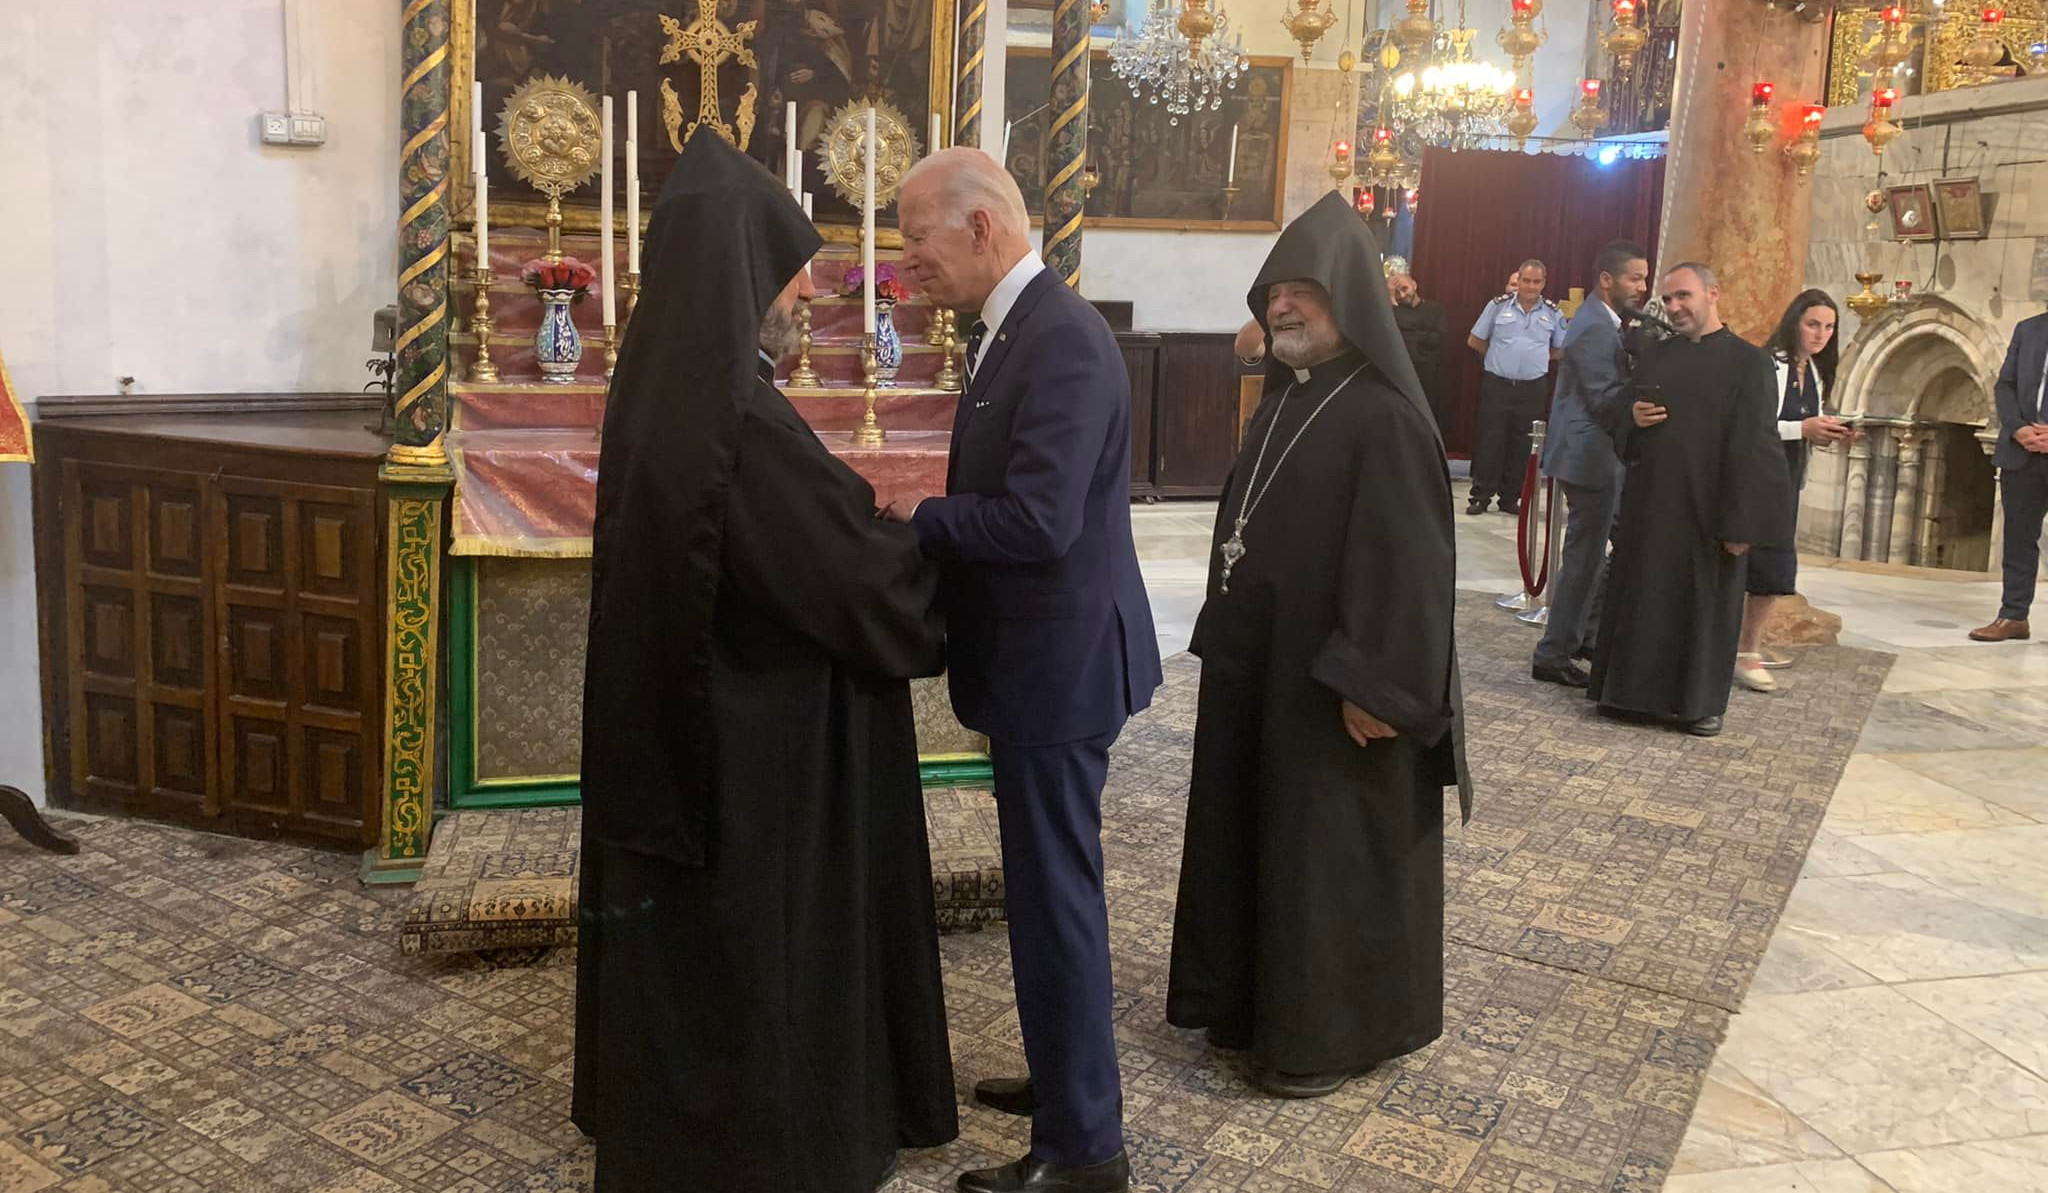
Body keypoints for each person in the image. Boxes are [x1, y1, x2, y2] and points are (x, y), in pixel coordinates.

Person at [573, 131, 957, 1193]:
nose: (802, 298)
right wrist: (918, 548)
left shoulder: (656, 389)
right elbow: (841, 576)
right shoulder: (739, 415)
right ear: (747, 275)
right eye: (790, 276)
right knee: (755, 948)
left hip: (680, 720)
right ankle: (762, 1146)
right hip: (752, 748)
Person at [885, 147, 1162, 1193]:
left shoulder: (1062, 342)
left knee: (1056, 900)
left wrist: (923, 514)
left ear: (981, 228)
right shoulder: (1017, 331)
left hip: (1060, 665)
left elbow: (1040, 521)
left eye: (916, 233)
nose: (904, 256)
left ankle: (1085, 1148)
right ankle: (1062, 1082)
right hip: (1037, 659)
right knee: (1046, 895)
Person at [1166, 191, 1472, 1100]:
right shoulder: (1288, 402)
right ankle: (1254, 1006)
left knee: (1326, 860)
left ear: (1351, 296)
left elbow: (1411, 565)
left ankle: (1331, 1034)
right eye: (1275, 290)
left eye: (1305, 289)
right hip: (1268, 672)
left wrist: (1373, 681)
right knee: (1262, 842)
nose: (1284, 305)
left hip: (1339, 689)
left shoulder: (1384, 415)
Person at [1589, 263, 1795, 737]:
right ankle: (1627, 696)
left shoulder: (1750, 363)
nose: (1675, 308)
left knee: (1703, 609)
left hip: (1711, 512)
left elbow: (1758, 448)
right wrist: (1632, 418)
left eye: (1684, 296)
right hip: (1652, 507)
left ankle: (1696, 705)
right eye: (1669, 300)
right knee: (1643, 599)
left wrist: (1744, 527)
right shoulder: (1658, 357)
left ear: (1713, 294)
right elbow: (1620, 417)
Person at [1530, 241, 1649, 688]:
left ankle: (1583, 637)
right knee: (1583, 557)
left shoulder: (1607, 321)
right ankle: (1554, 652)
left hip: (1597, 454)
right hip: (1589, 455)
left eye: (1643, 277)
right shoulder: (1596, 326)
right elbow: (1605, 397)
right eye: (1634, 277)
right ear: (1606, 279)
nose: (1642, 286)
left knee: (1597, 554)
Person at [1734, 291, 1851, 690]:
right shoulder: (1769, 364)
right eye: (1813, 324)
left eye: (1829, 327)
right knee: (1749, 562)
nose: (1821, 334)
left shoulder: (1814, 370)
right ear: (1794, 322)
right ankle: (1741, 650)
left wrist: (1826, 432)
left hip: (1787, 479)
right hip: (1756, 478)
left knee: (1775, 568)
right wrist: (1801, 429)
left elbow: (1804, 422)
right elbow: (1753, 424)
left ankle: (1749, 646)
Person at [1969, 309, 2048, 642]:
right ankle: (2013, 616)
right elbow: (2006, 386)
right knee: (2018, 539)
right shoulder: (2029, 329)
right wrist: (2017, 429)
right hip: (2023, 451)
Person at [1466, 259, 1567, 515]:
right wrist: (1499, 357)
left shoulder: (1553, 313)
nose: (1531, 286)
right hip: (1498, 385)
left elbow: (1561, 349)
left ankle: (1510, 498)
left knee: (1524, 445)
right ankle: (1480, 495)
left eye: (1536, 281)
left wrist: (1537, 359)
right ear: (1518, 281)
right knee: (1491, 441)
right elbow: (1475, 340)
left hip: (1532, 388)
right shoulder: (1497, 306)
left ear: (1544, 283)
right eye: (1526, 280)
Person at [1389, 272, 1449, 426]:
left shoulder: (1435, 309)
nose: (1402, 295)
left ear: (1414, 285)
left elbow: (1437, 340)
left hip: (1428, 378)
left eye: (1404, 288)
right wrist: (1391, 302)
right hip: (1400, 376)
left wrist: (1406, 332)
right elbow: (1390, 337)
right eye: (1396, 293)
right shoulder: (1391, 312)